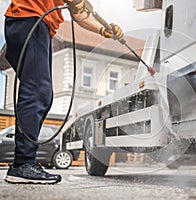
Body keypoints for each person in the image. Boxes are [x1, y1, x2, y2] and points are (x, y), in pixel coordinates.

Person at [4, 0, 124, 184]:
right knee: (37, 91)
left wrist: (103, 30)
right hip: (30, 18)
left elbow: (78, 12)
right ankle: (22, 165)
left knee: (42, 94)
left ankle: (24, 163)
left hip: (32, 23)